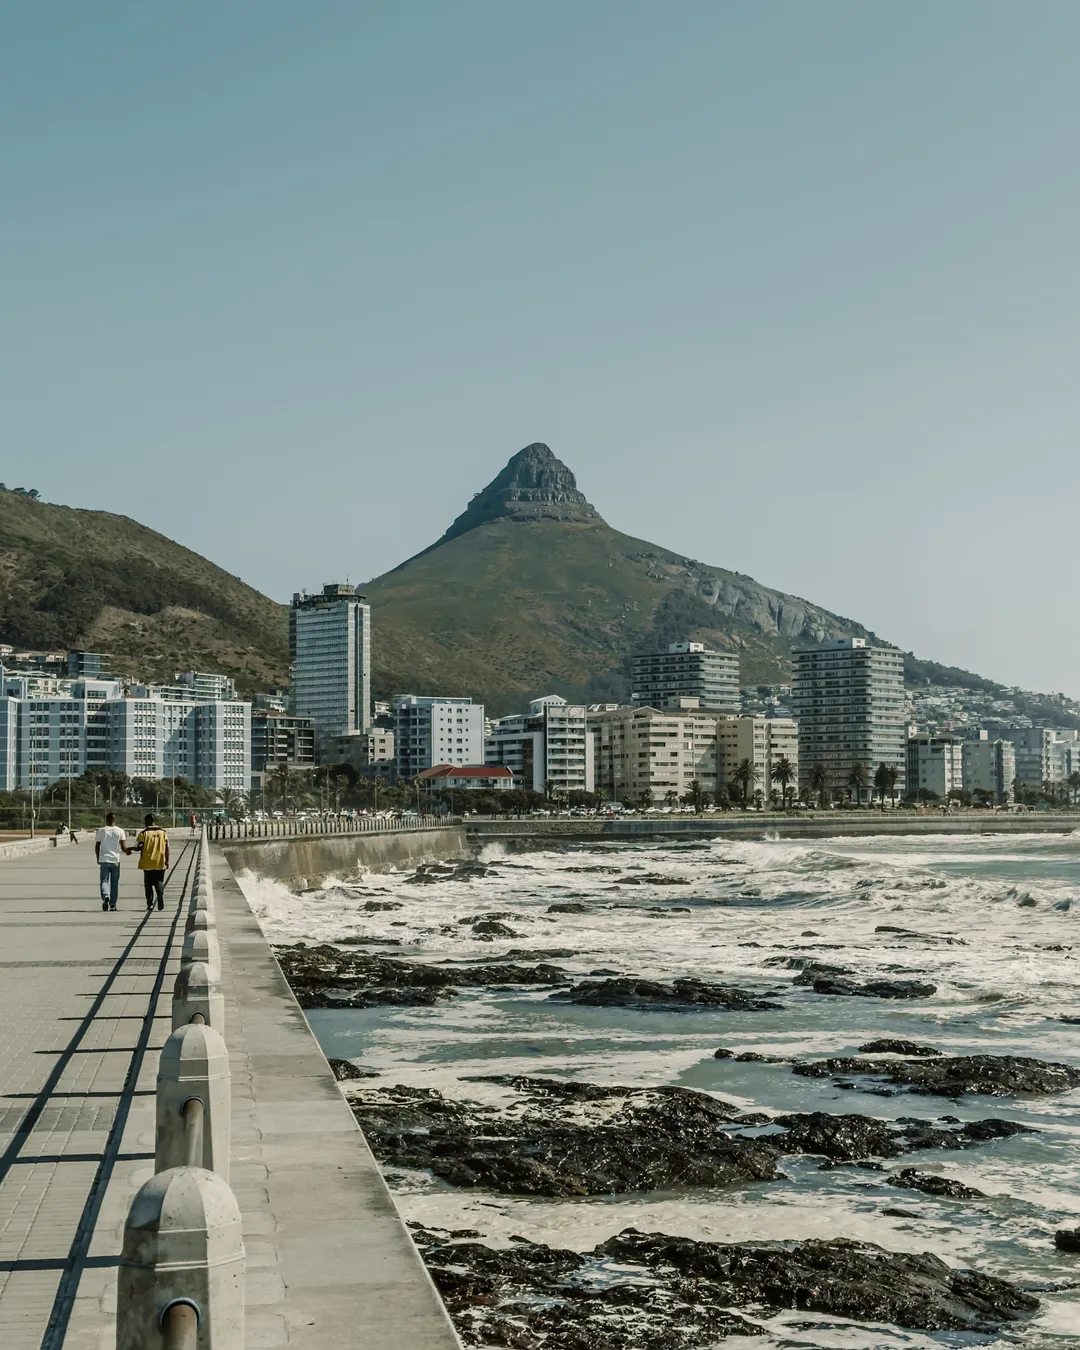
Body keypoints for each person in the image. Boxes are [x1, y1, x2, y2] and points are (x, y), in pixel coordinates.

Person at [94, 812, 130, 912]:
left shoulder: (101, 831)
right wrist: (129, 851)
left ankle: (106, 896)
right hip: (115, 860)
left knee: (104, 881)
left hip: (104, 860)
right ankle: (113, 904)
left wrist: (98, 857)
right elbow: (123, 847)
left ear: (106, 819)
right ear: (115, 820)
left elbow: (97, 846)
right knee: (114, 882)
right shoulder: (120, 831)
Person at [135, 813, 170, 911]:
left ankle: (150, 904)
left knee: (148, 884)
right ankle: (160, 895)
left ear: (148, 821)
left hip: (147, 862)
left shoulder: (143, 833)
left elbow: (139, 847)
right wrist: (167, 860)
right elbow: (167, 848)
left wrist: (129, 849)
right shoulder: (163, 833)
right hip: (160, 861)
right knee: (159, 881)